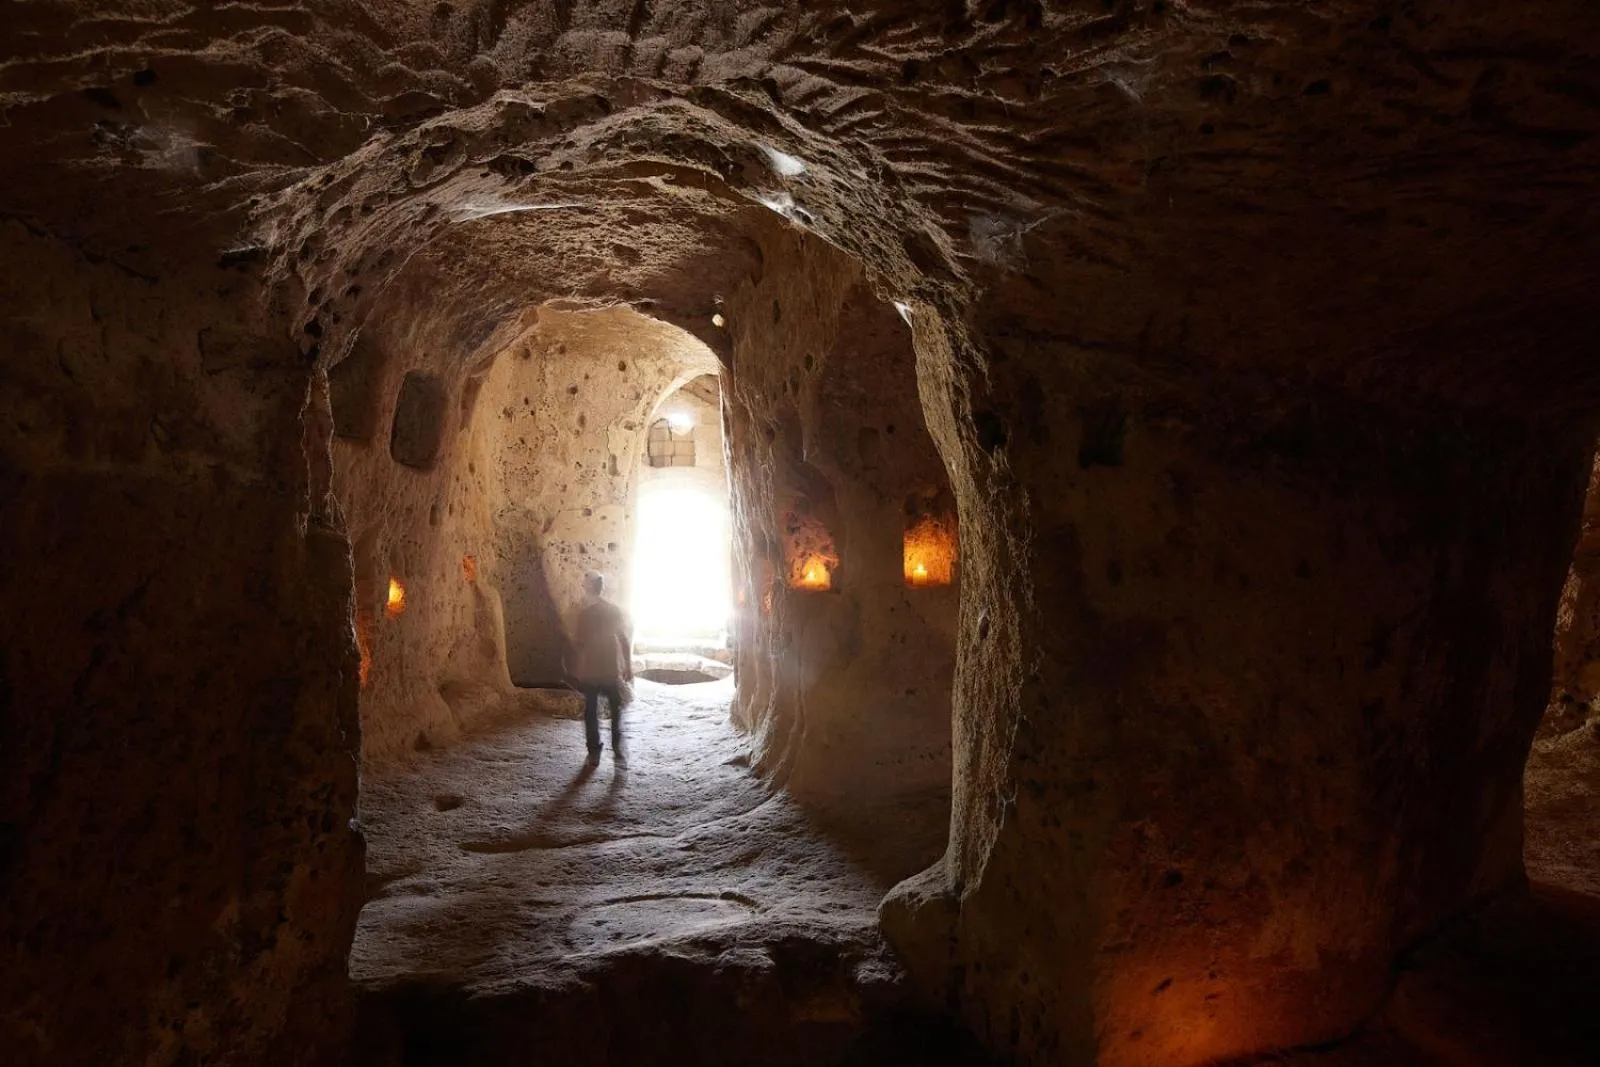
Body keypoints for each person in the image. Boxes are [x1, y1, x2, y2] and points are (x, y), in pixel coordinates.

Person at [563, 572, 634, 766]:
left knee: (591, 710)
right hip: (610, 668)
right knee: (615, 709)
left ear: (587, 587)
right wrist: (628, 665)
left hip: (592, 671)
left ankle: (594, 750)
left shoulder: (585, 615)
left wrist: (573, 672)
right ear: (601, 588)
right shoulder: (613, 610)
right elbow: (624, 640)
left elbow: (578, 645)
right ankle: (617, 747)